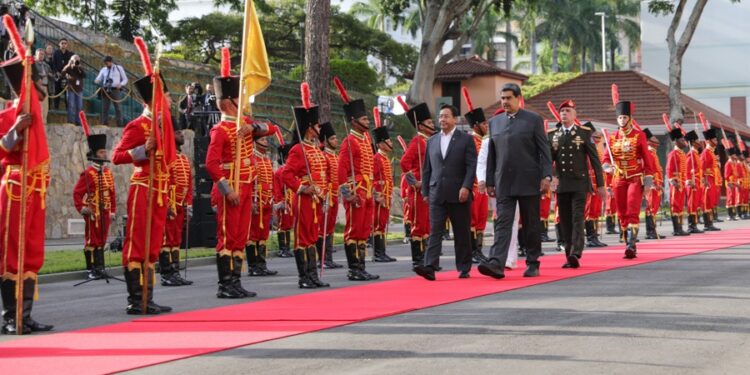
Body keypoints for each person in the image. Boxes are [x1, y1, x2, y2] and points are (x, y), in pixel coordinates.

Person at [205, 48, 276, 298]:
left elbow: (273, 128)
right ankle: (225, 285)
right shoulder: (220, 131)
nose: (243, 103)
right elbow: (211, 164)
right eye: (238, 100)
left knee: (239, 237)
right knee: (227, 236)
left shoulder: (245, 125)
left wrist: (252, 127)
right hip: (231, 190)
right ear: (227, 103)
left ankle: (235, 282)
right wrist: (228, 189)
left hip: (247, 187)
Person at [111, 38, 172, 315]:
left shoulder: (164, 125)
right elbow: (117, 156)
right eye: (166, 96)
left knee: (152, 245)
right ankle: (135, 300)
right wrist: (142, 150)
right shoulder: (137, 125)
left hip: (159, 189)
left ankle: (148, 296)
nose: (169, 100)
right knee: (137, 243)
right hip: (143, 187)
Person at [0, 56, 53, 335]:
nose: (41, 88)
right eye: (35, 82)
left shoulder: (39, 119)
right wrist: (15, 130)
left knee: (32, 252)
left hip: (35, 189)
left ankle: (26, 314)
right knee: (12, 253)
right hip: (14, 188)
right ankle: (11, 317)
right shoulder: (7, 116)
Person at [479, 83, 552, 279]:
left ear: (518, 98)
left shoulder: (533, 120)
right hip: (504, 181)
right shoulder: (495, 123)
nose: (505, 102)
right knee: (502, 223)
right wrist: (489, 181)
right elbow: (492, 154)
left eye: (508, 98)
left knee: (530, 224)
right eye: (502, 98)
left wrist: (546, 176)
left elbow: (544, 151)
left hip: (529, 181)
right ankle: (496, 262)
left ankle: (532, 262)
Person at [413, 104, 477, 280]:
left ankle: (464, 267)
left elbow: (472, 166)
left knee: (461, 231)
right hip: (437, 193)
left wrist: (466, 186)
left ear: (454, 119)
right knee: (435, 231)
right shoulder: (432, 140)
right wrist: (426, 191)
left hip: (459, 194)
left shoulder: (465, 139)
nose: (442, 120)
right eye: (440, 116)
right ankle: (430, 267)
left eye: (446, 116)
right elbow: (427, 168)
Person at [282, 83, 331, 289]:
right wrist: (302, 187)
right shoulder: (297, 150)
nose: (320, 128)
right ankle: (304, 277)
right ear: (309, 128)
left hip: (317, 200)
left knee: (313, 236)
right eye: (317, 125)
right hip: (303, 200)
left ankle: (313, 275)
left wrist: (325, 194)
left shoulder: (318, 151)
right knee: (303, 237)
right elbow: (286, 174)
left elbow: (326, 175)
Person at [547, 100, 604, 268]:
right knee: (564, 220)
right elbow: (548, 160)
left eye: (567, 111)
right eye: (562, 111)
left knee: (577, 217)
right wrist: (550, 176)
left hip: (580, 182)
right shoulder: (553, 134)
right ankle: (568, 255)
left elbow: (595, 161)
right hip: (562, 183)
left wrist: (600, 185)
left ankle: (576, 252)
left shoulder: (584, 133)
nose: (564, 113)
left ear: (574, 115)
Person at [335, 80, 379, 281]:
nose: (367, 121)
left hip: (368, 189)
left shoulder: (365, 140)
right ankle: (353, 268)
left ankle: (361, 267)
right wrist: (347, 194)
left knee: (364, 230)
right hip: (356, 190)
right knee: (353, 229)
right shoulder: (349, 142)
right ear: (354, 121)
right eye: (364, 118)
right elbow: (341, 170)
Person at [601, 101, 656, 259]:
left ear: (630, 118)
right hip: (618, 179)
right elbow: (605, 159)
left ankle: (632, 243)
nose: (622, 120)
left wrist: (647, 182)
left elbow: (647, 160)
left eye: (625, 117)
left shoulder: (639, 136)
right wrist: (607, 168)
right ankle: (627, 243)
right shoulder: (612, 138)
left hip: (634, 178)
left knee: (632, 210)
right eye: (620, 117)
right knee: (622, 212)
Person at [73, 126, 115, 280]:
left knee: (102, 241)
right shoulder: (88, 174)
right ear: (95, 155)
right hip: (93, 213)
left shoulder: (108, 173)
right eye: (101, 152)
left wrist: (112, 211)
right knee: (92, 240)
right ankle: (91, 269)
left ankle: (100, 268)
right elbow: (77, 193)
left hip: (105, 212)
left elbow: (112, 193)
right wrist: (82, 208)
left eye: (105, 151)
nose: (105, 154)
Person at [399, 100, 435, 268]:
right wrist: (415, 183)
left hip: (430, 189)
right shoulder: (417, 141)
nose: (432, 124)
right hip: (419, 191)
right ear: (420, 126)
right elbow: (404, 163)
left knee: (428, 224)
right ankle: (418, 259)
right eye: (428, 123)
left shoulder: (429, 141)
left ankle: (427, 258)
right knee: (419, 225)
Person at [159, 129, 194, 286]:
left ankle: (175, 272)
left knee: (176, 240)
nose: (182, 136)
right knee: (166, 240)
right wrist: (166, 203)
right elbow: (162, 182)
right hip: (169, 204)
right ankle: (167, 274)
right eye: (178, 133)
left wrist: (189, 204)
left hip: (181, 205)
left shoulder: (184, 159)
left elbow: (189, 184)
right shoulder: (166, 156)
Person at [463, 88, 490, 263]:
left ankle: (479, 250)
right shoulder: (469, 140)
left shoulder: (484, 141)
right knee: (471, 220)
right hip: (473, 187)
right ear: (476, 126)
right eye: (484, 124)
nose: (487, 126)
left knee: (481, 220)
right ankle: (471, 251)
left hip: (483, 188)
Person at [245, 133, 279, 276]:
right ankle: (253, 266)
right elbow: (249, 182)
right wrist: (251, 201)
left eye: (265, 139)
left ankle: (262, 264)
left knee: (263, 234)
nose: (265, 142)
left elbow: (271, 181)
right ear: (255, 142)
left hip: (266, 201)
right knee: (253, 235)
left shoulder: (266, 160)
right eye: (262, 139)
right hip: (256, 201)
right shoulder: (252, 159)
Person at [318, 122, 344, 268]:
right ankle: (321, 258)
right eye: (333, 138)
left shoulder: (337, 157)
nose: (336, 141)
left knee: (330, 228)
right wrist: (324, 197)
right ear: (326, 140)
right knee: (322, 228)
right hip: (326, 197)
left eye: (336, 138)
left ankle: (328, 258)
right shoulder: (323, 156)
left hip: (335, 196)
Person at [371, 120, 397, 262]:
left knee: (382, 223)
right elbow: (372, 178)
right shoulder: (377, 158)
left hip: (386, 196)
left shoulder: (386, 159)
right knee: (377, 224)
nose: (391, 143)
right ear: (381, 144)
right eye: (388, 141)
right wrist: (376, 195)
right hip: (379, 197)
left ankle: (382, 252)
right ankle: (377, 253)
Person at [584, 128, 609, 246]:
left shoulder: (598, 150)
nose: (598, 139)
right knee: (589, 211)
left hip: (598, 184)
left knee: (595, 211)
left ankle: (594, 237)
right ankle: (590, 237)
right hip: (590, 185)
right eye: (595, 137)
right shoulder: (587, 150)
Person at [642, 128, 667, 239]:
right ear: (648, 141)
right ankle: (650, 232)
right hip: (652, 185)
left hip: (656, 184)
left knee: (654, 208)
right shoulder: (649, 154)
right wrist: (654, 184)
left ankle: (653, 230)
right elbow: (649, 171)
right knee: (651, 208)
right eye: (654, 137)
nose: (656, 138)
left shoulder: (653, 153)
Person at [665, 125, 690, 236]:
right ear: (676, 141)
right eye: (682, 140)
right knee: (675, 205)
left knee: (680, 205)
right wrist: (672, 180)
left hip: (682, 182)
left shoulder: (682, 154)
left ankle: (680, 227)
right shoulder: (673, 154)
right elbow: (669, 169)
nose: (684, 142)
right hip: (676, 183)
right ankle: (676, 229)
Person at [94, 56, 128, 127]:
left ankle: (120, 124)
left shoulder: (119, 68)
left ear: (111, 61)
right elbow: (98, 78)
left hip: (115, 89)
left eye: (107, 62)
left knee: (118, 108)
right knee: (105, 108)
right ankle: (104, 123)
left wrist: (121, 84)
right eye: (105, 62)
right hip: (105, 90)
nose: (106, 64)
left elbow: (125, 79)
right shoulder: (103, 69)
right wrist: (97, 81)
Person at [273, 145, 294, 258]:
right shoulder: (279, 172)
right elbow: (277, 189)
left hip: (291, 201)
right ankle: (283, 248)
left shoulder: (290, 170)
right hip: (284, 201)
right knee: (282, 225)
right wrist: (280, 201)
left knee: (289, 224)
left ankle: (287, 247)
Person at [700, 125, 722, 231]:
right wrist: (704, 180)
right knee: (707, 202)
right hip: (708, 180)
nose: (716, 140)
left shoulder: (711, 152)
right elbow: (702, 168)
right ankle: (707, 224)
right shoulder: (706, 153)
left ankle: (710, 223)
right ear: (708, 140)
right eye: (714, 139)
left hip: (713, 180)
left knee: (711, 201)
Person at [684, 130, 705, 234]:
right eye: (697, 140)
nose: (699, 142)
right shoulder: (691, 155)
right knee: (692, 204)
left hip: (698, 182)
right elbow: (687, 169)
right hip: (693, 182)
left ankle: (695, 224)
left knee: (696, 203)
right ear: (692, 142)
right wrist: (689, 180)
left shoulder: (696, 154)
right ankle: (691, 226)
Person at [62, 54, 85, 125]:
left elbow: (84, 75)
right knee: (71, 105)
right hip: (71, 88)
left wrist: (79, 67)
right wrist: (69, 64)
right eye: (74, 59)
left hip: (79, 89)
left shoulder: (80, 67)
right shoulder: (69, 67)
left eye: (77, 60)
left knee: (79, 106)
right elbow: (62, 73)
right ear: (71, 60)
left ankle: (78, 121)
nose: (76, 61)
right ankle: (70, 120)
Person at [51, 38, 73, 110]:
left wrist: (67, 73)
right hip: (58, 75)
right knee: (57, 92)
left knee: (67, 94)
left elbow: (71, 65)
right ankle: (56, 108)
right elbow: (53, 64)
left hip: (66, 76)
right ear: (59, 44)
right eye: (62, 43)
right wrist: (57, 72)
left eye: (65, 43)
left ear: (67, 45)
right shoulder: (55, 53)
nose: (63, 45)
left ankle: (68, 109)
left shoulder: (69, 54)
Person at [34, 48, 52, 124]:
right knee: (38, 106)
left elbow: (51, 74)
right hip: (37, 87)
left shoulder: (46, 65)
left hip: (45, 86)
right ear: (36, 55)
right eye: (40, 54)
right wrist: (41, 75)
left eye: (43, 54)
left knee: (45, 107)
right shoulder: (33, 64)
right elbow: (33, 74)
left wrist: (51, 75)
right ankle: (37, 122)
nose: (41, 56)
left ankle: (44, 122)